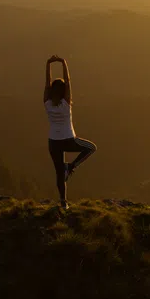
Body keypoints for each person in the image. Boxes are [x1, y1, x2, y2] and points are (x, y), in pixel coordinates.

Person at [44, 55, 97, 209]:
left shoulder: (47, 102)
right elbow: (68, 82)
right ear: (63, 91)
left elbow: (47, 83)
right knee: (91, 148)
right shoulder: (66, 103)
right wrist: (63, 63)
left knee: (59, 173)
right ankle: (72, 166)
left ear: (52, 90)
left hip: (53, 142)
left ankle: (63, 202)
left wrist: (48, 64)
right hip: (68, 139)